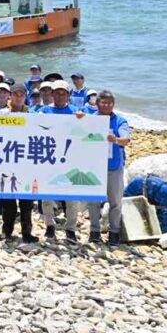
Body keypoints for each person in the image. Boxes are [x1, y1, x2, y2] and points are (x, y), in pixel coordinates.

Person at [39, 80, 93, 243]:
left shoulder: (76, 111)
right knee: (46, 195)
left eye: (63, 93)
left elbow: (89, 128)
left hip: (71, 160)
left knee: (72, 197)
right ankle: (50, 226)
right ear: (52, 94)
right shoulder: (44, 111)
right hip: (49, 158)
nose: (60, 95)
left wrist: (83, 119)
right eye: (57, 92)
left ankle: (70, 229)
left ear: (68, 95)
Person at [0, 84, 38, 243]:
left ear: (25, 97)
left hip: (26, 163)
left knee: (27, 202)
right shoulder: (2, 113)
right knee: (8, 202)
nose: (18, 97)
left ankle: (27, 232)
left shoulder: (33, 115)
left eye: (21, 95)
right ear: (10, 96)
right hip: (7, 162)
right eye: (15, 94)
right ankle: (6, 231)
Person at [96, 90, 130, 247]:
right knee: (93, 201)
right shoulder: (90, 119)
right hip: (94, 166)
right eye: (103, 102)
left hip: (114, 167)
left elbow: (125, 139)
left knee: (115, 201)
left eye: (110, 103)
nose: (107, 105)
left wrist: (115, 139)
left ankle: (114, 232)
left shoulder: (120, 121)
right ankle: (94, 231)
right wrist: (79, 117)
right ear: (97, 103)